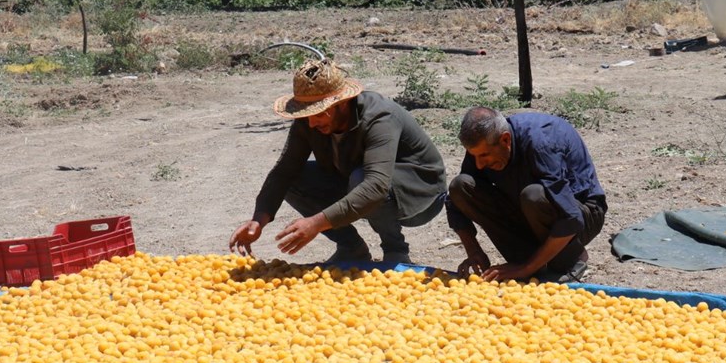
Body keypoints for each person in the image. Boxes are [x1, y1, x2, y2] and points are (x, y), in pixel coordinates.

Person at [229, 58, 446, 264]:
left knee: (362, 178)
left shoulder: (380, 118)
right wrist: (258, 220)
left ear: (343, 103)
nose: (312, 122)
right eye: (307, 114)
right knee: (296, 179)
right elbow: (284, 172)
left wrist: (316, 223)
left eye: (319, 113)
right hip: (359, 182)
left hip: (421, 195)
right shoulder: (309, 121)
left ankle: (395, 250)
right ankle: (351, 248)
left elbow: (376, 186)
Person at [446, 106, 607, 283]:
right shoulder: (485, 144)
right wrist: (474, 251)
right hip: (530, 210)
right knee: (460, 186)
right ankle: (531, 260)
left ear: (505, 140)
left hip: (582, 214)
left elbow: (571, 217)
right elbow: (456, 202)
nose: (479, 164)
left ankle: (572, 258)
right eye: (474, 156)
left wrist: (526, 268)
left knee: (533, 195)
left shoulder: (540, 142)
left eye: (484, 155)